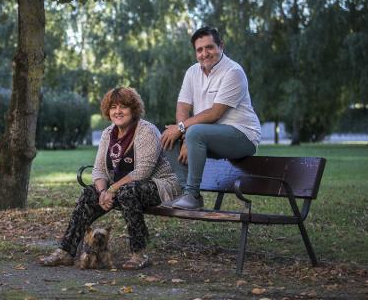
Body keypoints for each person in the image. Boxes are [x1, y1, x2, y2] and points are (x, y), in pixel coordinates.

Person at [39, 87, 182, 270]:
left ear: (134, 109)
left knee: (127, 191)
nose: (117, 111)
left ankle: (139, 254)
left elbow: (143, 172)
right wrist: (101, 192)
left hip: (159, 186)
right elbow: (99, 169)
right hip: (122, 189)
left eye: (123, 106)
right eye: (113, 107)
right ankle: (66, 251)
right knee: (89, 193)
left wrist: (112, 189)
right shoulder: (108, 133)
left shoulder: (146, 131)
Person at [161, 26, 261, 210]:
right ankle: (189, 195)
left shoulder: (233, 72)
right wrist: (183, 137)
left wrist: (184, 129)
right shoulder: (192, 72)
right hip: (207, 136)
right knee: (168, 137)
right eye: (199, 49)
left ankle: (191, 193)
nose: (204, 54)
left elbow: (215, 113)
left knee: (194, 132)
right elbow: (183, 106)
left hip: (243, 136)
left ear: (221, 46)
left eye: (209, 47)